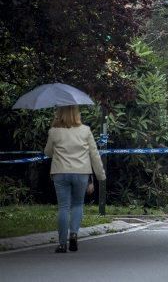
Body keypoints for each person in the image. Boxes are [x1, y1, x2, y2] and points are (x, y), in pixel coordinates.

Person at [43, 105, 106, 253]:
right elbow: (94, 154)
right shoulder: (85, 130)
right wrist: (100, 175)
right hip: (81, 173)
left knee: (63, 207)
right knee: (77, 204)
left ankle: (62, 244)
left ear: (60, 113)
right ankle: (74, 234)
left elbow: (48, 152)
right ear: (77, 113)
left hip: (60, 172)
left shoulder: (54, 131)